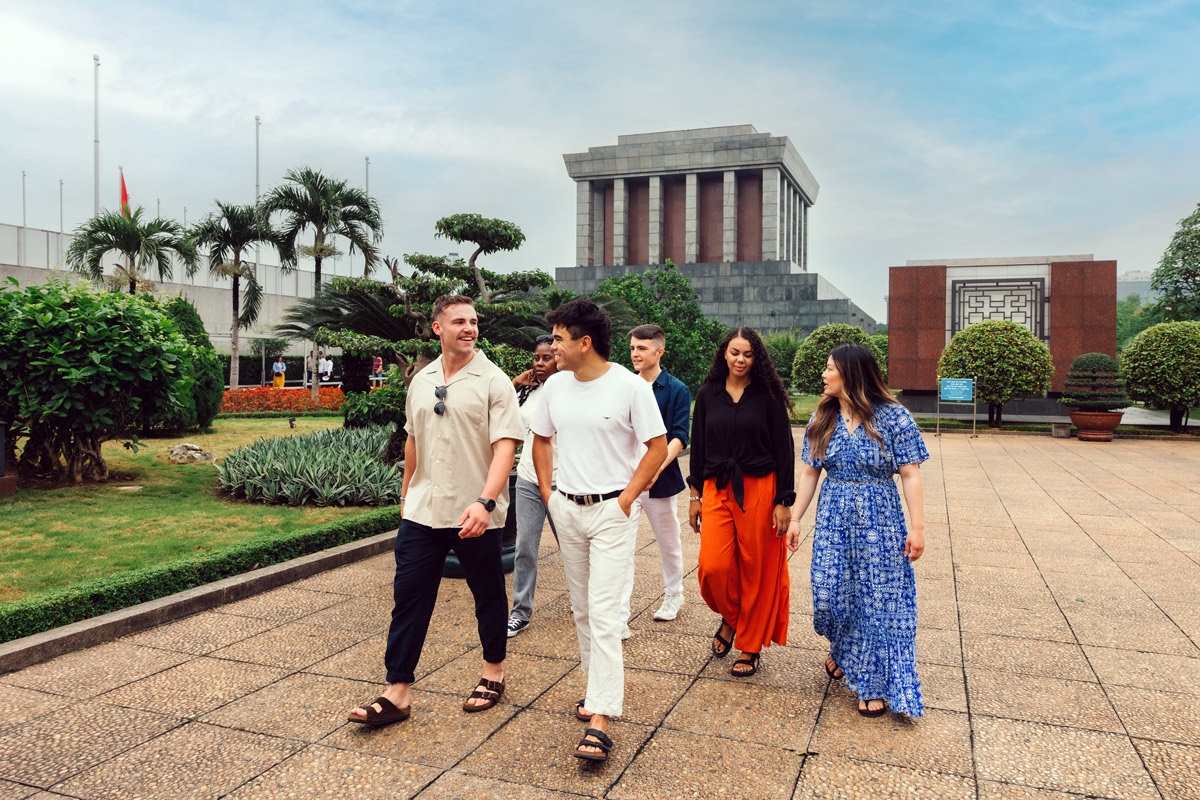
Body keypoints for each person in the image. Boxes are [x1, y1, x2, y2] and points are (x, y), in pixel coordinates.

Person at [348, 295, 524, 727]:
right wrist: (407, 494)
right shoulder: (422, 379)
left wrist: (486, 502)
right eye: (459, 321)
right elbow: (413, 440)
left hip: (473, 512)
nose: (469, 328)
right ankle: (397, 692)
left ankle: (493, 672)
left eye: (474, 321)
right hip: (422, 511)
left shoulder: (494, 381)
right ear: (437, 328)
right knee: (408, 598)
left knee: (487, 595)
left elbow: (507, 448)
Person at [531, 298, 666, 762]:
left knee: (606, 613)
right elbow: (541, 439)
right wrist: (550, 495)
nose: (552, 347)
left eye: (559, 339)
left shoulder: (629, 388)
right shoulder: (555, 388)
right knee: (581, 609)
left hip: (612, 512)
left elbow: (657, 446)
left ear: (584, 342)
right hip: (567, 509)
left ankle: (601, 717)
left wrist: (627, 498)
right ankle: (595, 689)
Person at [790, 343, 928, 717]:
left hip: (880, 520)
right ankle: (843, 649)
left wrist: (917, 528)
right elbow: (809, 473)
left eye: (830, 368)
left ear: (851, 373)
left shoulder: (894, 417)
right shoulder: (823, 416)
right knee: (829, 595)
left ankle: (871, 682)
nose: (823, 374)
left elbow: (911, 474)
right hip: (834, 519)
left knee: (877, 602)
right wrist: (797, 517)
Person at [688, 327, 795, 678]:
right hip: (716, 486)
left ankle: (749, 645)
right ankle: (733, 617)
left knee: (757, 568)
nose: (740, 360)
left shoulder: (768, 396)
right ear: (724, 353)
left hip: (760, 488)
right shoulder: (707, 394)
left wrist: (784, 500)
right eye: (735, 352)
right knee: (713, 566)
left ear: (756, 358)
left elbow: (784, 449)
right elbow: (699, 446)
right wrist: (695, 495)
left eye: (748, 354)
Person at [619, 324, 691, 632]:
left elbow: (679, 437)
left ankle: (674, 595)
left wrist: (655, 469)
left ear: (658, 351)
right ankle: (619, 617)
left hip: (660, 480)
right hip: (624, 480)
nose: (635, 353)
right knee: (622, 547)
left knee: (669, 542)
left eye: (642, 348)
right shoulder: (623, 386)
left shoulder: (676, 389)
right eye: (633, 348)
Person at [505, 334, 559, 637]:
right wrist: (515, 383)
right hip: (528, 479)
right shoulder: (528, 393)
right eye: (536, 358)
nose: (539, 363)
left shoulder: (569, 391)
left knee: (574, 548)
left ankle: (587, 604)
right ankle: (520, 612)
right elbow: (501, 414)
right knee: (525, 547)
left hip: (564, 482)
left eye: (546, 358)